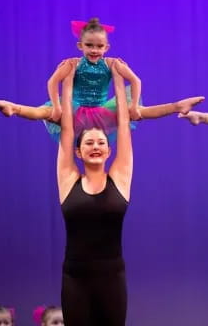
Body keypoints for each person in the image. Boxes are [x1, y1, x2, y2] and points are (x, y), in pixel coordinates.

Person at [0, 18, 204, 141]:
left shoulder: (112, 63)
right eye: (89, 45)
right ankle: (14, 108)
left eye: (99, 46)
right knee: (45, 112)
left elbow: (136, 81)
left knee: (141, 113)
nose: (94, 50)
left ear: (107, 47)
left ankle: (178, 105)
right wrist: (56, 106)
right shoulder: (72, 64)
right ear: (80, 46)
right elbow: (52, 82)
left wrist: (134, 107)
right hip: (75, 108)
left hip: (102, 109)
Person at [57, 60, 131, 325]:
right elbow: (67, 129)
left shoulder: (120, 178)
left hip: (112, 278)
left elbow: (123, 126)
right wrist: (68, 83)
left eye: (101, 142)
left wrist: (118, 81)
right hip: (75, 279)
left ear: (109, 150)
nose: (96, 146)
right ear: (79, 152)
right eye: (89, 142)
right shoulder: (68, 180)